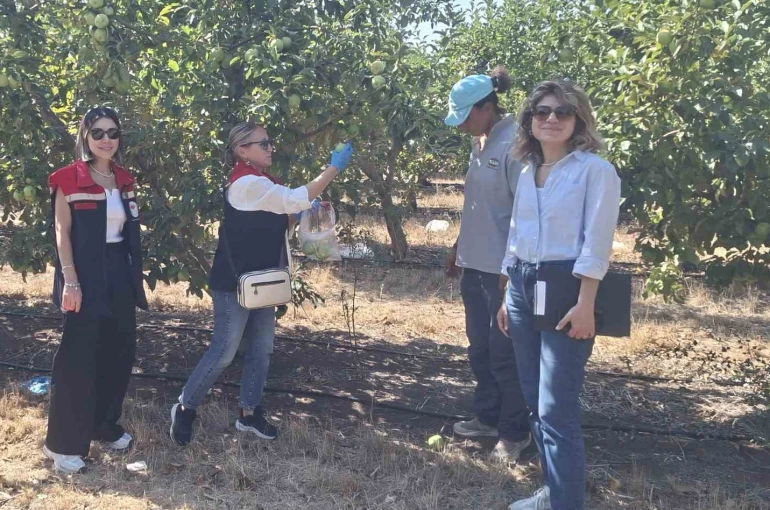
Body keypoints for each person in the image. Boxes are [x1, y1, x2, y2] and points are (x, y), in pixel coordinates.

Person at [170, 122, 353, 445]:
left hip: (264, 279)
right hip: (236, 281)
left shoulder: (264, 183)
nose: (271, 148)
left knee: (261, 350)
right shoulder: (246, 184)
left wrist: (303, 212)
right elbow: (293, 197)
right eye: (263, 143)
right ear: (243, 150)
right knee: (224, 351)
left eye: (270, 142)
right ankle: (185, 407)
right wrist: (332, 170)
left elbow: (281, 214)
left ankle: (249, 414)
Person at [498, 80, 621, 510]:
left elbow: (597, 240)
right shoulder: (529, 170)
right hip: (523, 285)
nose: (551, 119)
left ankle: (567, 502)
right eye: (542, 112)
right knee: (533, 399)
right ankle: (554, 492)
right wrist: (508, 290)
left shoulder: (595, 170)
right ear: (529, 121)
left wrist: (586, 302)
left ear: (578, 120)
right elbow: (518, 234)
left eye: (562, 112)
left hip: (567, 286)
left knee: (556, 407)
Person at [44, 107, 148, 474]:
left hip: (119, 272)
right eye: (98, 132)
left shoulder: (123, 178)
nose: (106, 139)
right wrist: (71, 281)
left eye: (113, 133)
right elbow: (62, 232)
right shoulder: (68, 179)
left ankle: (104, 426)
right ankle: (62, 444)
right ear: (85, 136)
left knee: (118, 351)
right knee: (78, 357)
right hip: (84, 274)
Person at [443, 66, 531, 463]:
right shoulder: (479, 143)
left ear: (487, 108)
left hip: (501, 271)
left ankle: (515, 432)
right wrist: (459, 245)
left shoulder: (514, 147)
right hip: (474, 266)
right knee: (479, 348)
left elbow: (524, 215)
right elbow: (479, 205)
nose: (460, 124)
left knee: (504, 353)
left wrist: (510, 272)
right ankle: (488, 416)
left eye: (465, 114)